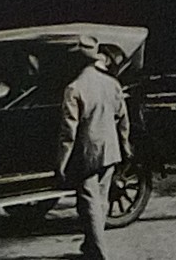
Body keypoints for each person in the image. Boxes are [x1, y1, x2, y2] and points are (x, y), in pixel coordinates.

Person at [56, 36, 133, 260]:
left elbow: (68, 133)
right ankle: (90, 248)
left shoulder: (74, 88)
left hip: (87, 154)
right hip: (110, 150)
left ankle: (100, 254)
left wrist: (61, 164)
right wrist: (125, 146)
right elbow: (123, 120)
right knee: (101, 200)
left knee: (89, 204)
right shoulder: (112, 83)